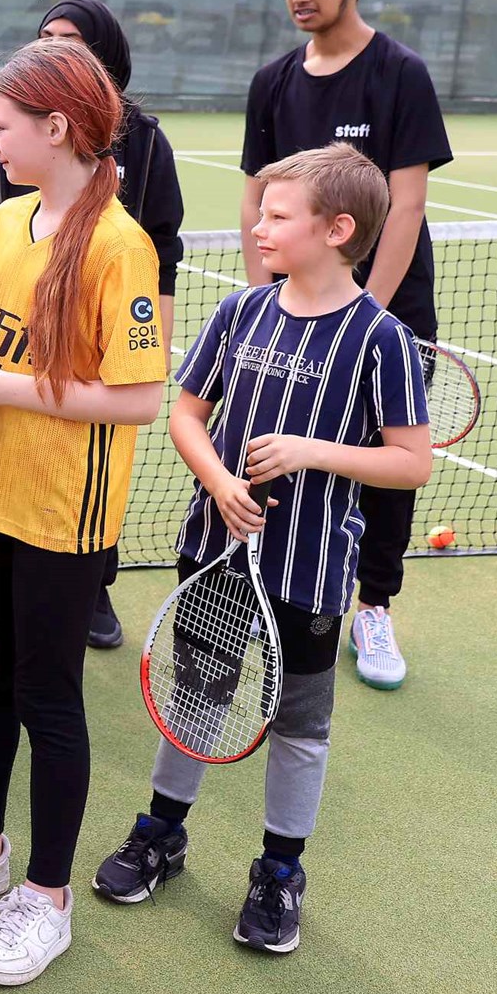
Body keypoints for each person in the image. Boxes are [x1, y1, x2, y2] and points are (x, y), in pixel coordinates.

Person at [92, 143, 430, 951]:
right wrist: (217, 481)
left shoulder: (380, 338)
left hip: (309, 572)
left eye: (279, 216)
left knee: (299, 726)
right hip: (214, 553)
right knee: (197, 698)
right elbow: (185, 413)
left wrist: (311, 451)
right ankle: (161, 834)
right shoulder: (242, 312)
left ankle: (280, 871)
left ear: (337, 229)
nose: (258, 224)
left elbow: (411, 460)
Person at [0, 37, 167, 987]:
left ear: (58, 128)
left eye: (3, 128)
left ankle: (45, 899)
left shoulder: (121, 245)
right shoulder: (9, 221)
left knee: (49, 701)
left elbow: (137, 399)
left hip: (62, 509)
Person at [240, 0, 452, 692]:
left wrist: (363, 318)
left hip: (384, 314)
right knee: (277, 447)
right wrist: (267, 300)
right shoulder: (273, 80)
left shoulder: (400, 73)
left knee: (387, 463)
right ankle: (270, 583)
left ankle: (374, 605)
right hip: (289, 311)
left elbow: (406, 206)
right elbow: (257, 197)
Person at [0, 0, 185, 650]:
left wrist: (144, 350)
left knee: (47, 688)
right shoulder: (3, 217)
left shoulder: (121, 230)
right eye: (47, 37)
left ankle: (95, 586)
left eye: (73, 40)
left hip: (65, 496)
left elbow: (158, 260)